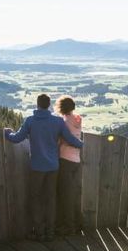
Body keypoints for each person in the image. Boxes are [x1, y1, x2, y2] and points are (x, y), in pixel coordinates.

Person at [5, 93, 83, 241]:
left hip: (37, 167)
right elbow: (70, 138)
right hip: (53, 166)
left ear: (37, 104)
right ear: (49, 105)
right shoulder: (57, 122)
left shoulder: (30, 121)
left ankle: (39, 232)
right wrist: (80, 144)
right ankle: (50, 232)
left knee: (36, 198)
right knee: (50, 198)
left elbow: (17, 138)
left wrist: (7, 133)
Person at [55, 96, 83, 236]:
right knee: (73, 194)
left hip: (65, 159)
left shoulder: (64, 121)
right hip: (76, 161)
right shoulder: (77, 119)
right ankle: (77, 224)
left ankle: (68, 227)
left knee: (65, 195)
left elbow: (64, 137)